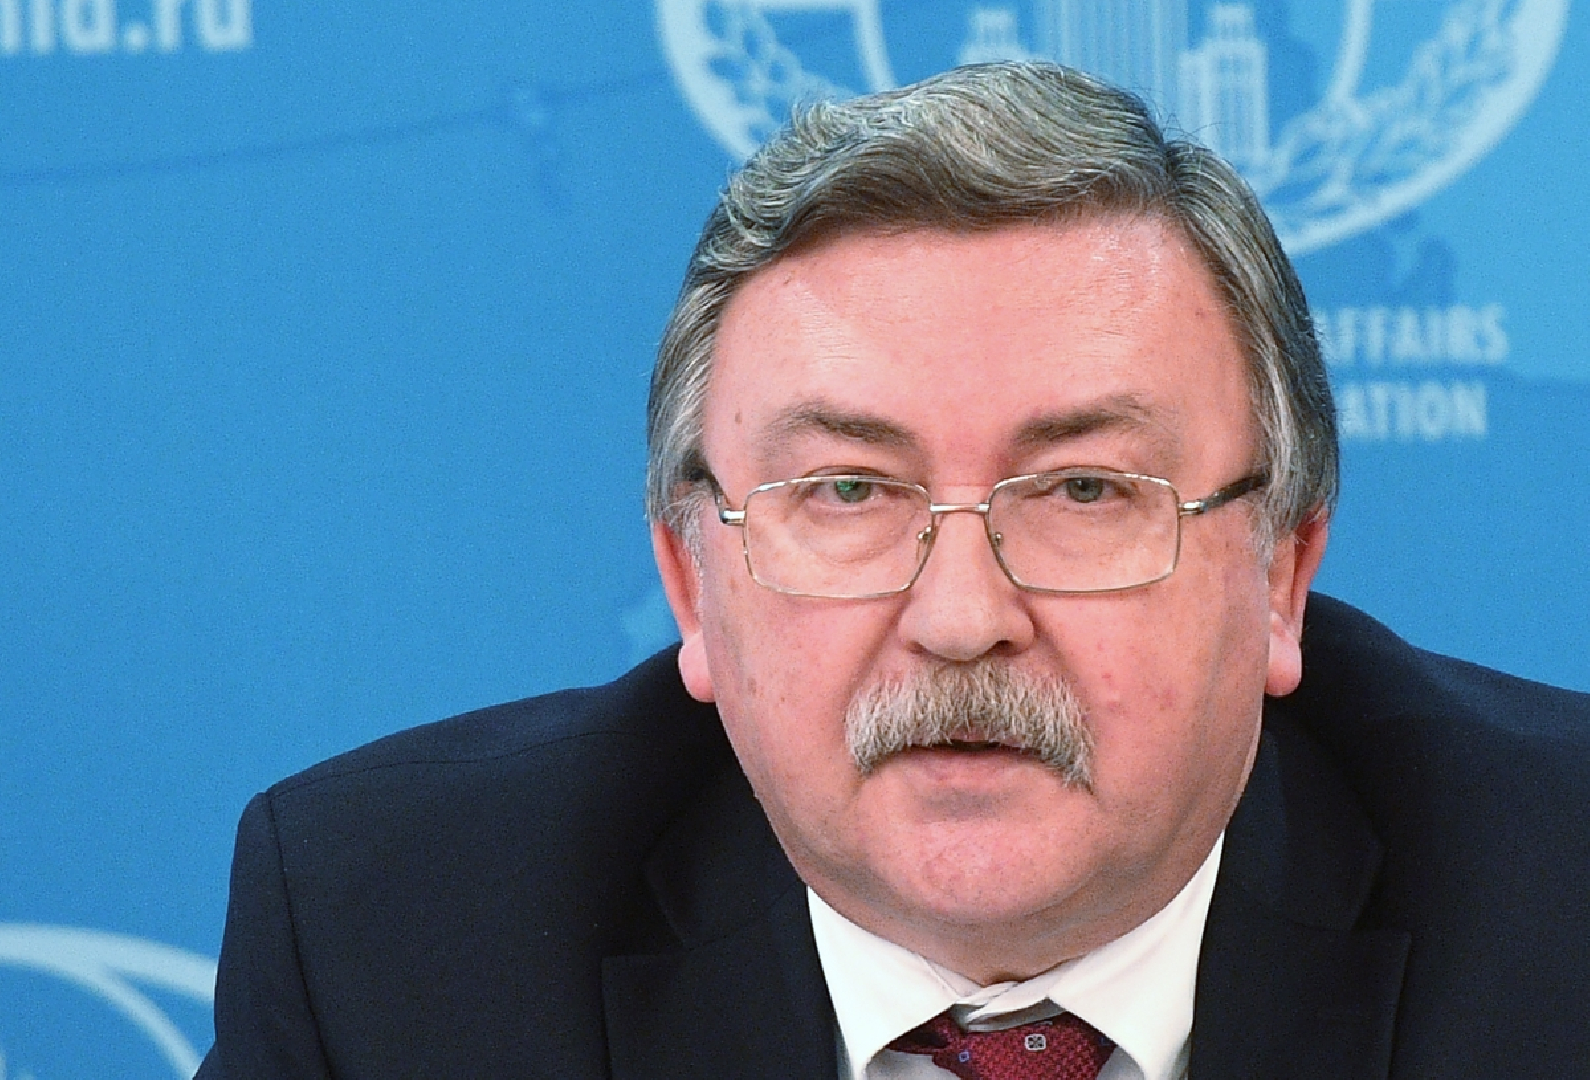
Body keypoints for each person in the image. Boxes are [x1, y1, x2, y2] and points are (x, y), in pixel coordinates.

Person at [197, 63, 1590, 1079]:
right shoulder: (397, 947)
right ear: (692, 584)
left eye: (1084, 490)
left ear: (1279, 572)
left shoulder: (1556, 910)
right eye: (849, 492)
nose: (963, 619)